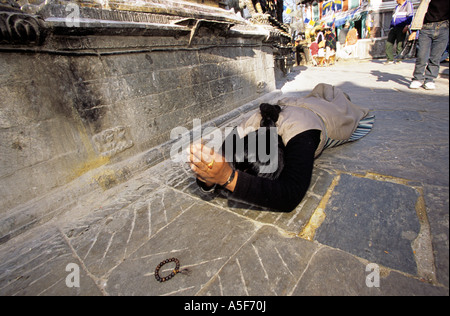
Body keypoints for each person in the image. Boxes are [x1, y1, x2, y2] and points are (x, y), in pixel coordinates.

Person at [188, 84, 375, 212]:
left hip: (320, 114)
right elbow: (219, 162)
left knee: (341, 102)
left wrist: (227, 177)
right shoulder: (246, 128)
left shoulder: (303, 135)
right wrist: (207, 177)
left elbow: (289, 196)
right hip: (292, 105)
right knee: (320, 95)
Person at [408, 0, 449, 90]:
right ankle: (417, 78)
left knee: (436, 57)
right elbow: (420, 11)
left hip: (444, 28)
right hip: (426, 28)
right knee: (422, 55)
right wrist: (414, 30)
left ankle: (429, 79)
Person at [385, 0, 414, 64]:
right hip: (394, 27)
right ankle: (390, 59)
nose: (396, 1)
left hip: (402, 27)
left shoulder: (407, 4)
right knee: (389, 43)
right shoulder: (396, 7)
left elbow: (410, 16)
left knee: (399, 43)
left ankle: (399, 59)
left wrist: (407, 26)